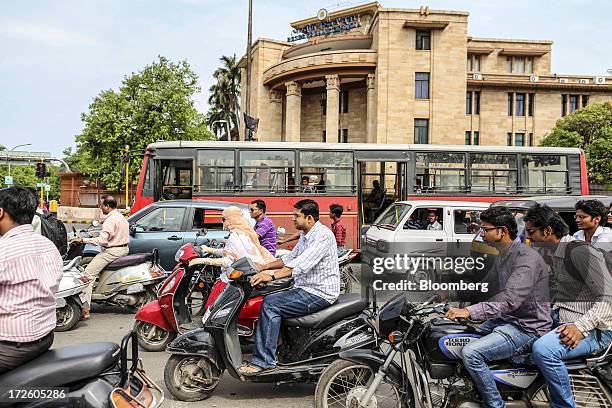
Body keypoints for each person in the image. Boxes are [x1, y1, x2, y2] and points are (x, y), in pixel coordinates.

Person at [445, 206, 552, 408]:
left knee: (471, 352)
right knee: (455, 333)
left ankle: (495, 404)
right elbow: (484, 288)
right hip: (506, 320)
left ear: (502, 231)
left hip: (527, 327)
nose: (481, 234)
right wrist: (447, 293)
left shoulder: (525, 259)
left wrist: (469, 310)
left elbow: (510, 299)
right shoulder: (503, 255)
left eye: (485, 229)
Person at [524, 204, 612, 408]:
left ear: (547, 231)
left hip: (595, 329)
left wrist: (580, 328)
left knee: (544, 351)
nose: (528, 238)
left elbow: (608, 296)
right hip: (563, 317)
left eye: (531, 232)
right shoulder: (556, 252)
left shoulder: (580, 252)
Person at [239, 199, 340, 374]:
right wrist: (263, 266)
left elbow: (299, 265)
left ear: (309, 218)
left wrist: (269, 276)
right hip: (304, 287)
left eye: (296, 216)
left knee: (271, 304)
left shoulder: (323, 235)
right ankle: (280, 347)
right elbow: (290, 258)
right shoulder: (306, 234)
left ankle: (263, 361)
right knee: (267, 295)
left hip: (319, 292)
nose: (292, 219)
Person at [0, 187, 63, 373]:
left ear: (1, 212)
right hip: (44, 336)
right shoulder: (47, 245)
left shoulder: (4, 249)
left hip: (11, 345)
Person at [190, 206, 277, 311]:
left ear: (232, 219)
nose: (222, 222)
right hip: (244, 273)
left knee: (213, 307)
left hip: (235, 277)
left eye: (224, 219)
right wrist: (210, 250)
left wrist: (205, 260)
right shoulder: (242, 232)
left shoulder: (236, 235)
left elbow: (229, 261)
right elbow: (231, 252)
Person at [70, 195, 129, 319]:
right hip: (123, 249)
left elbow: (102, 240)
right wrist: (92, 235)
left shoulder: (110, 220)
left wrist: (83, 240)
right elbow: (109, 234)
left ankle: (85, 309)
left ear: (107, 206)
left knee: (87, 276)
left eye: (101, 205)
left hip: (112, 251)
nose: (100, 207)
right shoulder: (120, 217)